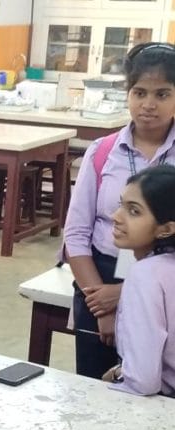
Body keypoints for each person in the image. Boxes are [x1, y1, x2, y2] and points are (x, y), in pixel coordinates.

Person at [64, 42, 175, 379]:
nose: (149, 105)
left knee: (155, 386)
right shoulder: (103, 152)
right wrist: (100, 303)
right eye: (139, 92)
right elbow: (76, 233)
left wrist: (127, 295)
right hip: (98, 278)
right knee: (96, 387)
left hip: (167, 286)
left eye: (162, 94)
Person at [102, 165, 175, 396]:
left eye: (134, 211)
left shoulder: (146, 275)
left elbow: (143, 381)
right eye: (120, 205)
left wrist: (120, 375)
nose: (116, 217)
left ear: (166, 229)